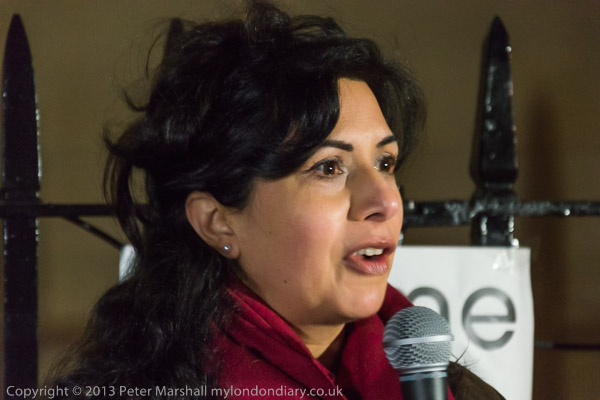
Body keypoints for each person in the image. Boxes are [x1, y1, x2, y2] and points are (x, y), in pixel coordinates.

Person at [49, 2, 503, 399]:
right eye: (329, 168)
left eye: (385, 163)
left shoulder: (451, 391)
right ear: (217, 222)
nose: (386, 200)